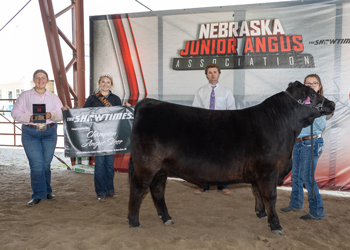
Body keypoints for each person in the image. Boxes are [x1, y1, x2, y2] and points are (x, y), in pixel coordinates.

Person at [11, 69, 64, 206]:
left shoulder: (53, 97)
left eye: (43, 78)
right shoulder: (25, 96)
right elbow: (15, 113)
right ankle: (38, 194)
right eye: (37, 78)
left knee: (46, 165)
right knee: (37, 165)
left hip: (49, 132)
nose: (40, 80)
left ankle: (46, 191)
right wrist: (30, 117)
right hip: (30, 133)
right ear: (34, 80)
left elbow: (61, 115)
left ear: (47, 80)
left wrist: (50, 115)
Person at [280, 74, 327, 220]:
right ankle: (295, 203)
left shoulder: (320, 103)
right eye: (308, 83)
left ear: (319, 87)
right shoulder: (300, 102)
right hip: (298, 142)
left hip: (311, 142)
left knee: (307, 177)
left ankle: (317, 210)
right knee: (296, 176)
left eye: (314, 83)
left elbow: (320, 125)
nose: (311, 85)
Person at [83, 73, 131, 202]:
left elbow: (120, 116)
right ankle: (101, 192)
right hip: (97, 136)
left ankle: (110, 190)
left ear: (111, 85)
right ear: (99, 83)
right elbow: (83, 114)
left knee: (109, 165)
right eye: (103, 82)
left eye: (108, 82)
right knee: (99, 165)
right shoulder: (92, 98)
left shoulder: (116, 99)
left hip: (110, 136)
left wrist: (127, 109)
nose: (105, 84)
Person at [192, 63, 236, 195]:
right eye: (210, 72)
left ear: (219, 74)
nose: (212, 74)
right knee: (204, 157)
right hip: (205, 128)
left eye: (215, 72)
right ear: (206, 75)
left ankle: (223, 185)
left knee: (222, 157)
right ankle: (202, 185)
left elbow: (232, 111)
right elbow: (195, 111)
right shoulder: (200, 91)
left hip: (222, 129)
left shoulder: (226, 91)